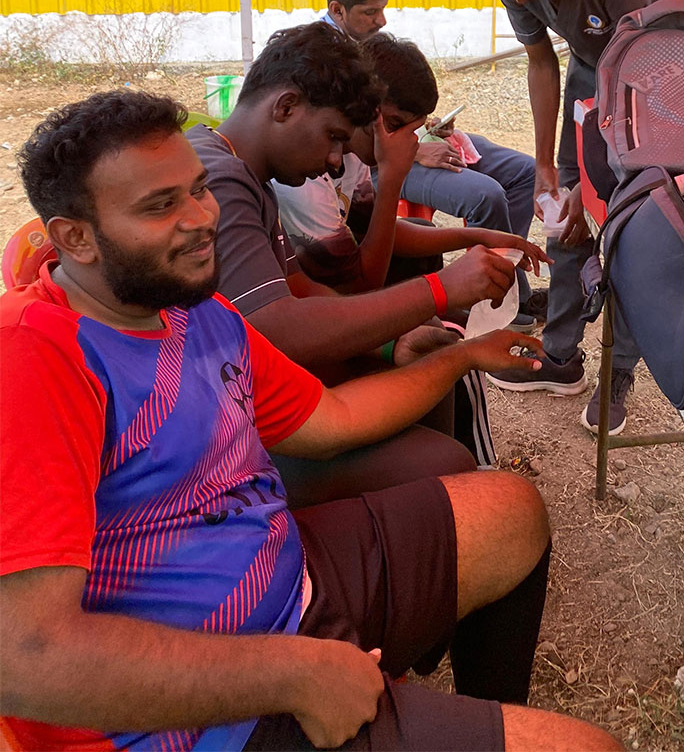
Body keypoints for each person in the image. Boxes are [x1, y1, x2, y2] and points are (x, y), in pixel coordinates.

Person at [0, 89, 620, 752]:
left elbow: (332, 416)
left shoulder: (193, 313)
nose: (202, 218)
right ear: (75, 237)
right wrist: (294, 674)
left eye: (199, 189)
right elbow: (26, 657)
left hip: (285, 579)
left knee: (512, 509)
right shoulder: (35, 357)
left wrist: (460, 356)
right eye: (160, 206)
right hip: (190, 714)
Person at [187, 23, 540, 473]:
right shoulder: (220, 180)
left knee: (431, 361)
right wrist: (438, 289)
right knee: (444, 456)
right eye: (334, 136)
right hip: (224, 430)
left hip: (248, 386)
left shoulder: (250, 174)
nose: (336, 159)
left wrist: (392, 344)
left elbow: (300, 288)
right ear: (286, 107)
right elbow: (276, 327)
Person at [459, 0, 669, 436]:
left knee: (628, 231)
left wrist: (594, 182)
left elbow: (640, 79)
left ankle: (618, 371)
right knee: (565, 218)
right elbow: (540, 62)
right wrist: (547, 167)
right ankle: (561, 355)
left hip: (650, 94)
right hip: (590, 77)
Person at [324, 0, 545, 329]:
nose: (381, 21)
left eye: (383, 9)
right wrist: (407, 158)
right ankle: (494, 305)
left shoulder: (372, 56)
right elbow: (359, 282)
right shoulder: (323, 61)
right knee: (485, 196)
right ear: (337, 10)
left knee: (525, 172)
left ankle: (507, 288)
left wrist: (424, 129)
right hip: (388, 160)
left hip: (397, 151)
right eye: (370, 12)